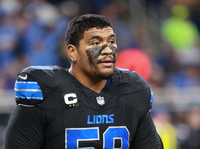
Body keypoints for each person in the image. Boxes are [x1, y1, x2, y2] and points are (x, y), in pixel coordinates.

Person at [5, 14, 163, 149]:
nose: (108, 50)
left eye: (111, 42)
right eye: (96, 43)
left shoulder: (133, 89)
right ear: (72, 52)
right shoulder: (47, 90)